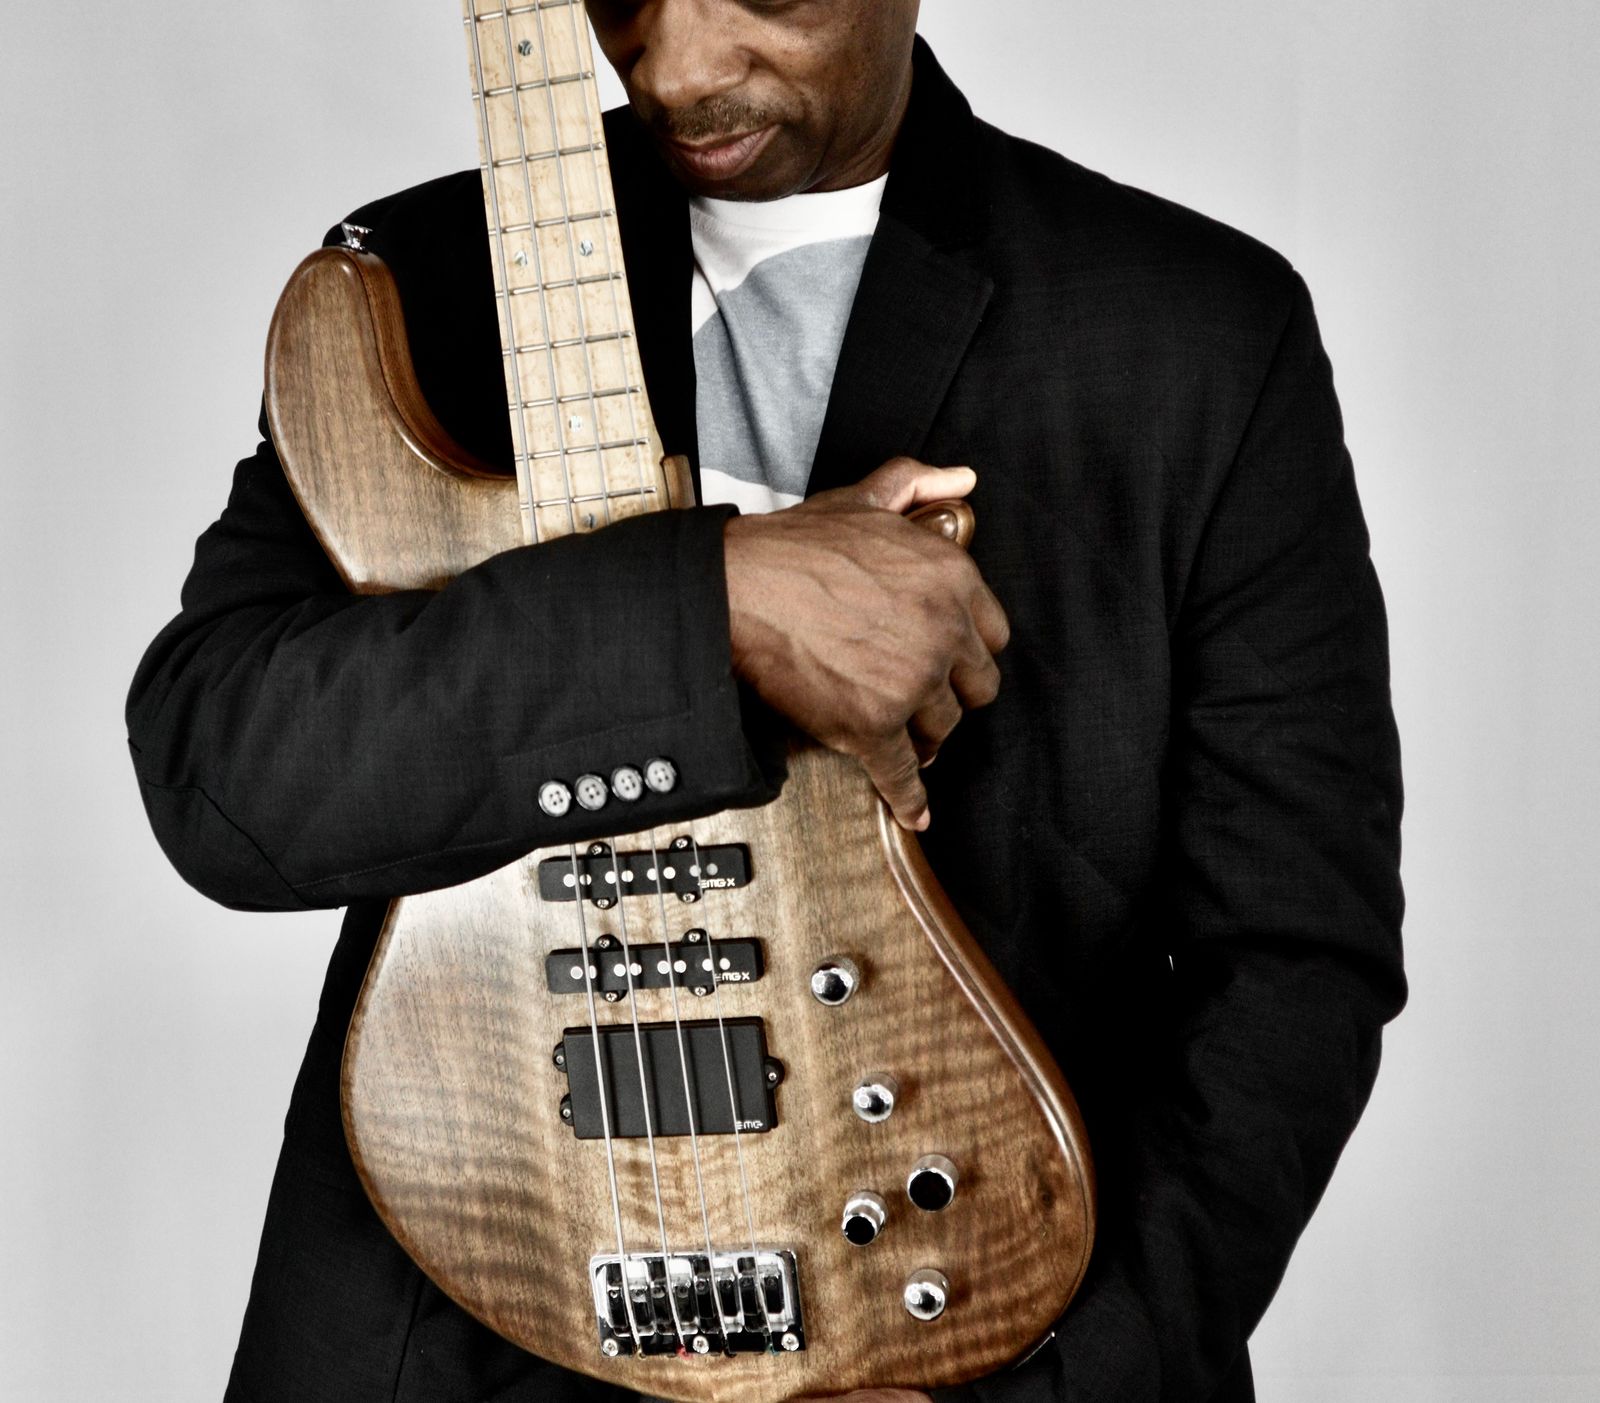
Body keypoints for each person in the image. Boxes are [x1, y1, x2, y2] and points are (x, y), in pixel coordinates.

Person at [125, 2, 1407, 1400]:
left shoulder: (1193, 331)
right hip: (448, 1339)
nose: (676, 70)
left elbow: (1292, 960)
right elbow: (219, 775)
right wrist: (717, 606)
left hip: (981, 1335)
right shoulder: (415, 287)